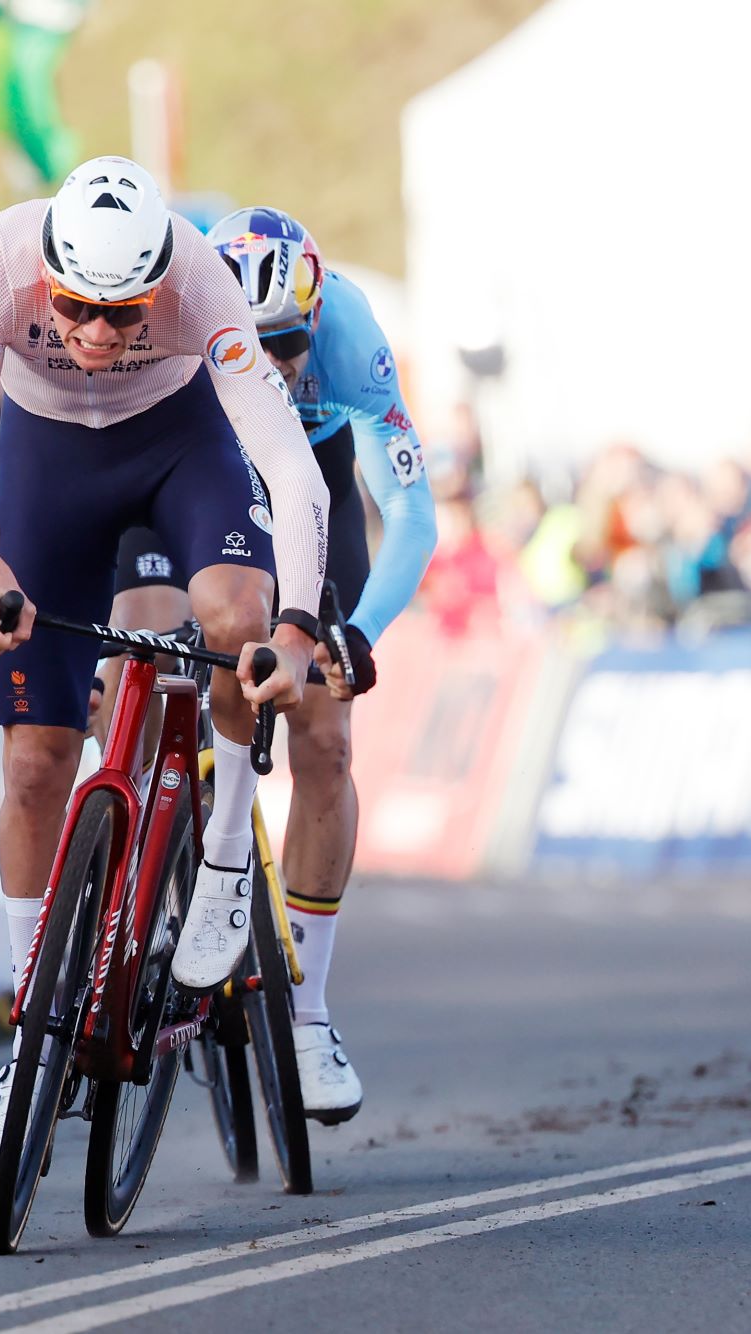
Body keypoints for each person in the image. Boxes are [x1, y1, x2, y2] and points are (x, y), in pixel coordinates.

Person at [0, 157, 330, 1171]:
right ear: (44, 271)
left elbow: (284, 459)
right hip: (49, 460)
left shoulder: (200, 281)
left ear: (160, 285)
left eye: (124, 313)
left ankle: (226, 856)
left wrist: (302, 627)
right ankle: (29, 1040)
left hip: (177, 444)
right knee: (32, 762)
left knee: (234, 614)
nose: (98, 336)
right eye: (75, 309)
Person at [102, 206, 436, 1123]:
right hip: (193, 466)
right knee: (132, 653)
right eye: (251, 342)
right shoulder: (170, 320)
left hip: (309, 486)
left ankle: (311, 1015)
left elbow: (409, 513)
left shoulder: (354, 338)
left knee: (325, 741)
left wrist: (357, 633)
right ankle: (116, 906)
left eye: (287, 341)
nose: (274, 362)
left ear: (315, 317)